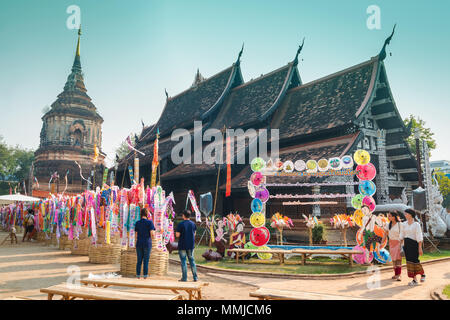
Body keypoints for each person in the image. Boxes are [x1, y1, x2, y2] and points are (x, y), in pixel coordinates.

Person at [400, 208, 426, 286]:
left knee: (415, 261)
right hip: (406, 244)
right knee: (409, 262)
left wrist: (420, 247)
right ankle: (414, 280)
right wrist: (401, 246)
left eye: (406, 214)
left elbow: (419, 236)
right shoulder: (403, 224)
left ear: (411, 214)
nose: (405, 215)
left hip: (414, 244)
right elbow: (401, 235)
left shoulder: (416, 225)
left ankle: (423, 274)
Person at [176, 210, 198, 282]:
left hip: (182, 244)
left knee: (183, 261)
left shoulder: (181, 224)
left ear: (183, 215)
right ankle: (195, 277)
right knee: (192, 261)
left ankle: (184, 278)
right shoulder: (193, 224)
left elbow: (177, 235)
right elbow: (194, 234)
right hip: (191, 245)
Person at [134, 208, 155, 279]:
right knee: (146, 260)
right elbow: (152, 234)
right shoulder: (150, 223)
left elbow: (136, 235)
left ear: (141, 214)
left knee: (139, 260)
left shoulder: (137, 223)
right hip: (147, 243)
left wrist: (135, 243)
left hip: (139, 243)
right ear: (147, 214)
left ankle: (138, 275)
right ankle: (145, 276)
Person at [382, 212, 403, 281]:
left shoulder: (400, 224)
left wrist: (402, 244)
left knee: (398, 259)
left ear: (394, 217)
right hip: (391, 243)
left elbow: (403, 235)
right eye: (388, 216)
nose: (388, 217)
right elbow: (385, 234)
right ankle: (395, 274)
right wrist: (381, 242)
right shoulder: (388, 225)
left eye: (390, 216)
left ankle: (399, 275)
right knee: (393, 259)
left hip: (398, 243)